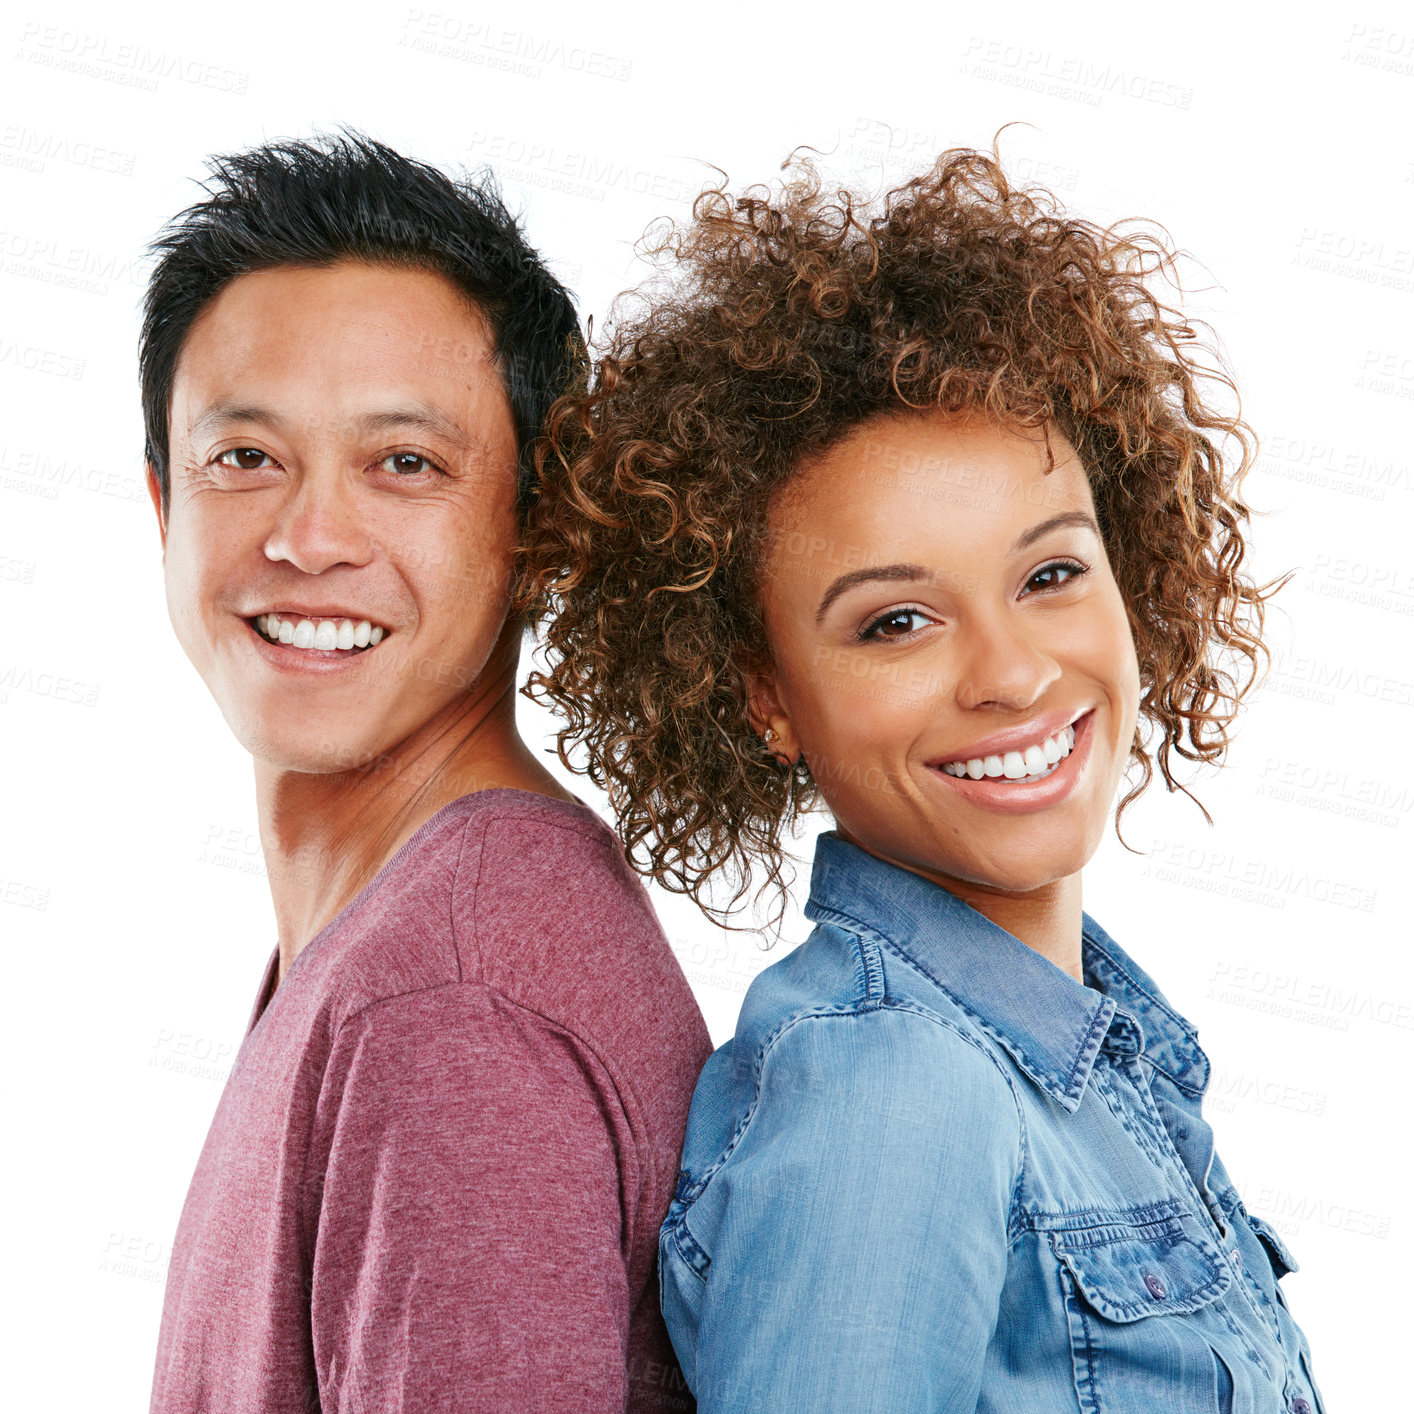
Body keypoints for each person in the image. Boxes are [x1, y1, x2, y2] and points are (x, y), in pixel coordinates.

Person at [519, 148, 1326, 1412]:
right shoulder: (889, 1094)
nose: (1008, 673)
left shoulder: (1100, 1058)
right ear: (762, 693)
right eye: (896, 621)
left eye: (1049, 574)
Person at [140, 132, 709, 1414]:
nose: (306, 537)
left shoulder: (450, 1009)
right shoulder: (393, 941)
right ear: (162, 507)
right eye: (246, 457)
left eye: (405, 464)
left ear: (538, 533)